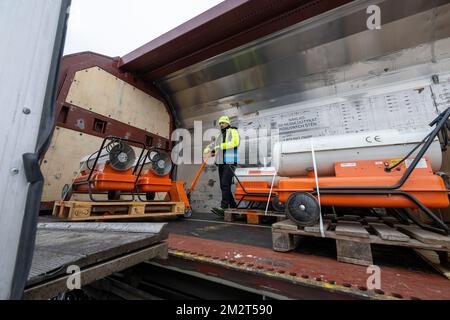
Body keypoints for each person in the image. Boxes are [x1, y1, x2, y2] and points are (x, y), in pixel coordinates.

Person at [204, 116, 240, 216]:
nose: (221, 124)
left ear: (228, 123)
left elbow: (235, 142)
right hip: (221, 163)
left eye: (223, 122)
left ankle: (223, 207)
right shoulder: (219, 135)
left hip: (230, 161)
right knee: (224, 186)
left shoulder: (233, 131)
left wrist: (221, 146)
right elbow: (214, 144)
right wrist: (207, 148)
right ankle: (233, 207)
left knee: (225, 184)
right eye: (220, 123)